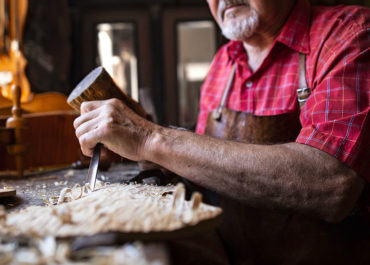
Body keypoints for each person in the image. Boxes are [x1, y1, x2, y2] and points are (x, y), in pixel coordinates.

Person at [74, 0, 370, 264]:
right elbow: (204, 172)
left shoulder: (349, 35)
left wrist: (151, 139)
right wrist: (146, 153)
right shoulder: (222, 64)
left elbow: (331, 185)